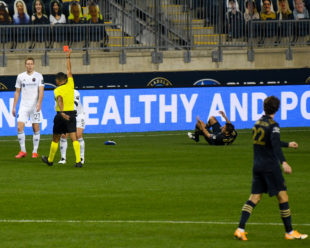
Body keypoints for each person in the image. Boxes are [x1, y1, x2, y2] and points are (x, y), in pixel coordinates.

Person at [234, 96, 308, 241]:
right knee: (283, 196)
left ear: (264, 107)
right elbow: (274, 145)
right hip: (270, 166)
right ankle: (290, 232)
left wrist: (287, 144)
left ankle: (240, 229)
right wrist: (284, 162)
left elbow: (269, 141)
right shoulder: (274, 125)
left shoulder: (258, 123)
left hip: (257, 165)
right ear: (277, 108)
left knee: (255, 197)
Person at [41, 49, 82, 168]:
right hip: (72, 114)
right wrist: (68, 57)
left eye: (56, 80)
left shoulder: (57, 90)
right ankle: (78, 161)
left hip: (61, 114)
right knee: (74, 137)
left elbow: (60, 99)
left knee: (55, 138)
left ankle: (50, 160)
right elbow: (69, 70)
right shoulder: (71, 84)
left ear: (58, 81)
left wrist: (62, 112)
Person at [12, 57, 44, 159]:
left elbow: (41, 91)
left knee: (36, 128)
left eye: (31, 64)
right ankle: (23, 151)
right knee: (19, 127)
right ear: (25, 65)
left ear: (33, 65)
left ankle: (35, 151)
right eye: (28, 64)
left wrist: (39, 103)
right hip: (23, 106)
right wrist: (14, 106)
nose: (29, 65)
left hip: (35, 106)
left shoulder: (39, 76)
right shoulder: (20, 76)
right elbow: (17, 92)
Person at [58, 89, 86, 165]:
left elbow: (75, 104)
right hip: (67, 115)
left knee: (78, 135)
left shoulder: (75, 92)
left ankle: (81, 158)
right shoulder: (60, 93)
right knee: (63, 135)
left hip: (79, 115)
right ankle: (63, 158)